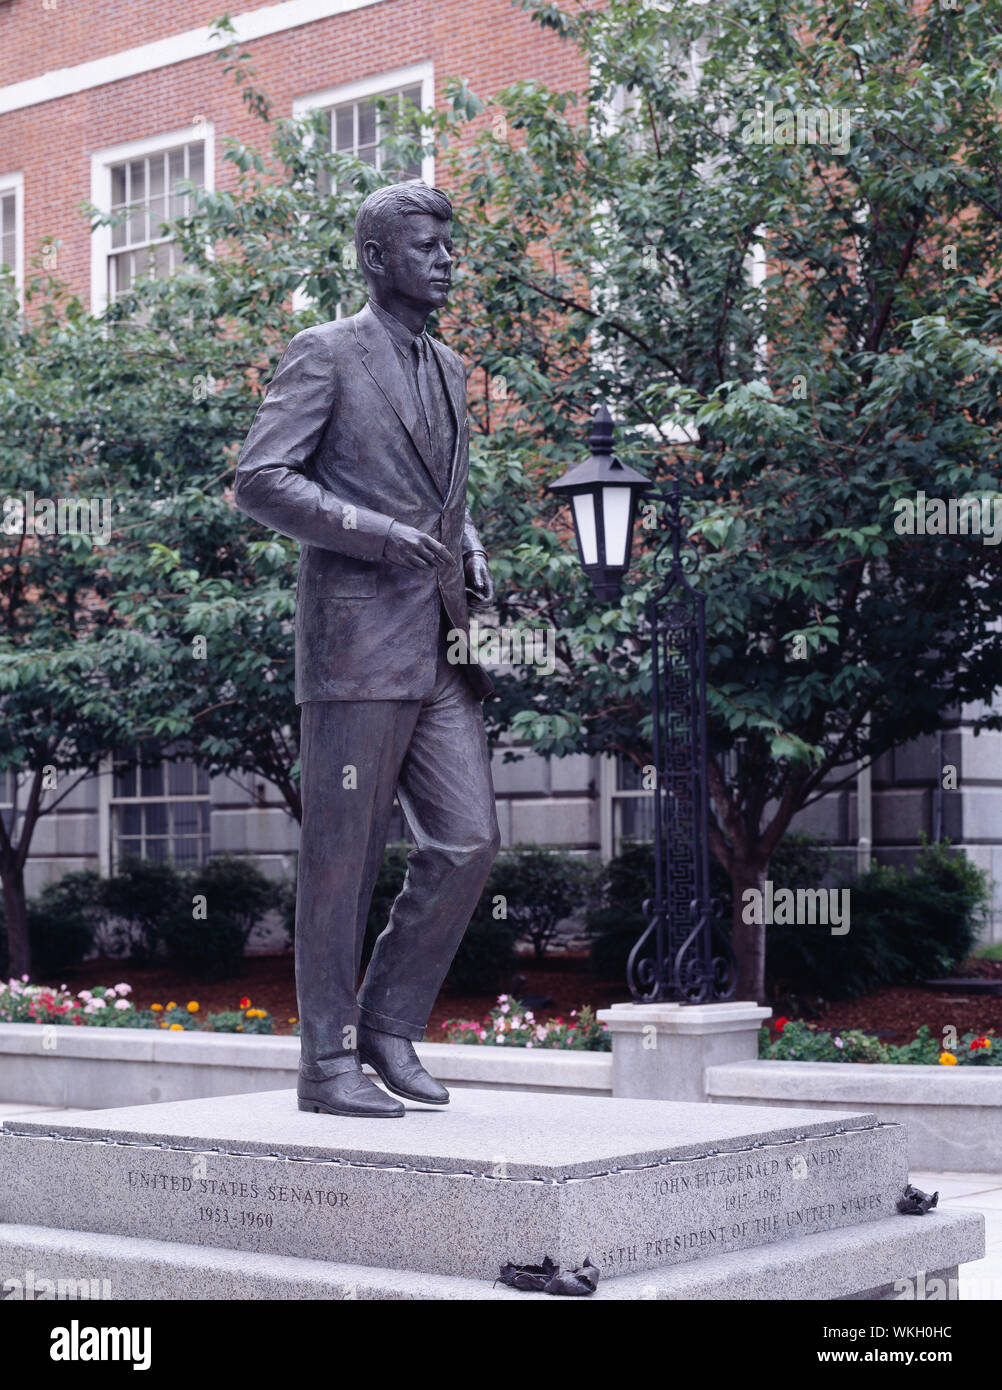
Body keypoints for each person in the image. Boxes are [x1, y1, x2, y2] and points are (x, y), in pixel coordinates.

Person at [235, 182, 500, 1117]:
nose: (444, 261)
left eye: (448, 246)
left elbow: (445, 492)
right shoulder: (327, 354)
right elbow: (258, 479)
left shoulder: (452, 366)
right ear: (375, 258)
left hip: (437, 642)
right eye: (425, 246)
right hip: (353, 644)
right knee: (342, 861)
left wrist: (466, 546)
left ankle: (390, 1024)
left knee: (468, 841)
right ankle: (327, 1062)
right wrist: (374, 531)